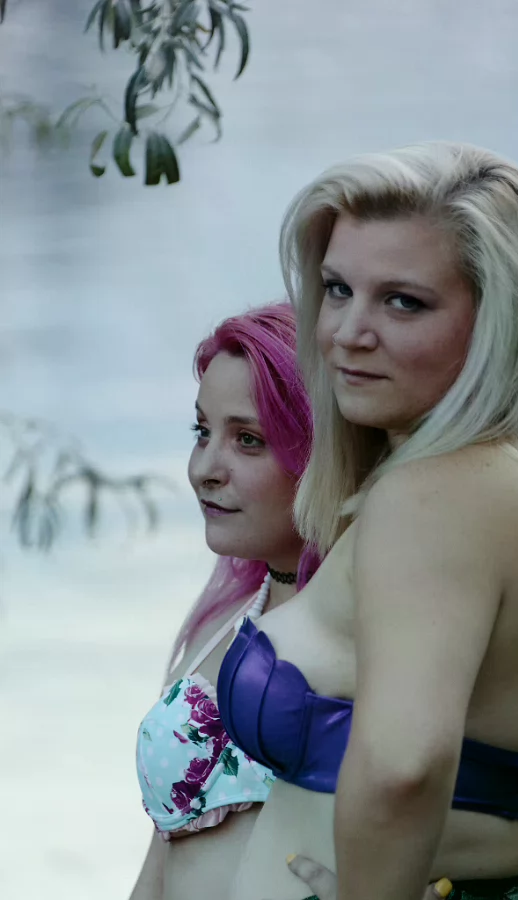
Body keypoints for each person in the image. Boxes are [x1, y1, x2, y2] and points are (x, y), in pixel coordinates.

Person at [215, 143, 518, 900]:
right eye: (336, 289)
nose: (348, 333)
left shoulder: (436, 498)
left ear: (497, 321)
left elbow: (402, 769)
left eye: (403, 302)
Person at [129, 302, 316, 900]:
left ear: (323, 452)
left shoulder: (372, 631)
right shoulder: (225, 622)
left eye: (248, 440)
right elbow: (160, 860)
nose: (204, 469)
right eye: (202, 432)